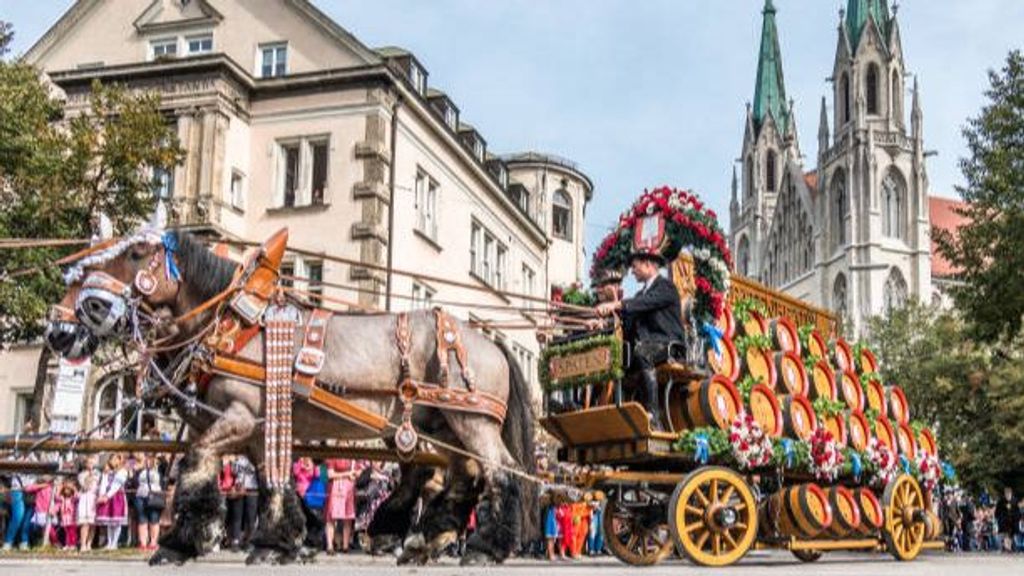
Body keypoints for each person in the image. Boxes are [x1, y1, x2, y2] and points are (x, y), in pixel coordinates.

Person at [596, 251, 686, 430]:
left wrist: (616, 304)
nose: (632, 271)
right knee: (615, 358)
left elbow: (645, 303)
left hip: (670, 345)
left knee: (642, 352)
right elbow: (627, 320)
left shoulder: (666, 287)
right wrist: (603, 322)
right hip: (647, 346)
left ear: (648, 265)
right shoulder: (639, 295)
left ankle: (653, 416)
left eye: (635, 266)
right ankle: (616, 412)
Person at [324, 459, 360, 554]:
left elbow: (358, 472)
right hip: (336, 487)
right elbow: (330, 474)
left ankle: (345, 546)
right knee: (331, 518)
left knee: (348, 518)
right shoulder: (334, 457)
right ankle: (330, 546)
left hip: (349, 488)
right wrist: (347, 474)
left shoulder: (352, 459)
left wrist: (356, 473)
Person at [95, 454, 129, 550]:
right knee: (110, 522)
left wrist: (107, 496)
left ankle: (114, 543)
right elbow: (104, 484)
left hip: (117, 497)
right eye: (111, 459)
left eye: (114, 459)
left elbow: (116, 486)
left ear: (119, 460)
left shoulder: (123, 472)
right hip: (108, 497)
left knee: (116, 521)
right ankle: (109, 542)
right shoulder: (108, 472)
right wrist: (102, 494)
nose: (112, 461)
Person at [227, 455, 259, 551]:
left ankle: (248, 541)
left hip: (252, 489)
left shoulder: (255, 457)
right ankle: (236, 540)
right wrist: (233, 461)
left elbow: (258, 471)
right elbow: (233, 472)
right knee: (237, 516)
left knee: (250, 517)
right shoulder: (236, 458)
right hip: (239, 488)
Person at [134, 453, 163, 550]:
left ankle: (153, 542)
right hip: (141, 495)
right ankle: (143, 543)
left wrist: (155, 466)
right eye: (147, 458)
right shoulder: (140, 470)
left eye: (151, 458)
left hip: (154, 496)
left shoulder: (159, 468)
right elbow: (135, 481)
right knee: (142, 520)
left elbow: (163, 479)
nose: (148, 460)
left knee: (154, 519)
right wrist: (139, 468)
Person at [77, 454, 100, 551]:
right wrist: (90, 475)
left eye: (92, 463)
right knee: (85, 523)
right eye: (89, 463)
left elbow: (99, 485)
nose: (90, 465)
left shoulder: (98, 474)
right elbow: (85, 486)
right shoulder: (81, 475)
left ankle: (89, 544)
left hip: (94, 498)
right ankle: (83, 544)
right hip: (85, 497)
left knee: (92, 524)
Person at [55, 478, 79, 550]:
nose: (66, 491)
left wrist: (74, 488)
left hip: (72, 518)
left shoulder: (72, 498)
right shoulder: (62, 498)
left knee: (73, 532)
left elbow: (77, 496)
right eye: (65, 489)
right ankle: (68, 544)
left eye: (68, 489)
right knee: (67, 532)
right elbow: (57, 497)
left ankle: (73, 544)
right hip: (64, 518)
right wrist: (60, 488)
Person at [996, 487, 1019, 553]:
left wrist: (1016, 518)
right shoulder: (1001, 501)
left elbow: (1017, 511)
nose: (1007, 496)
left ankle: (1011, 547)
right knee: (1006, 534)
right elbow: (998, 511)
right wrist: (999, 518)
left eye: (1008, 494)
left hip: (1013, 521)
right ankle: (1007, 548)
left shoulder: (1015, 501)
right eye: (1006, 494)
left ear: (1011, 493)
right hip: (1004, 521)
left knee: (1011, 535)